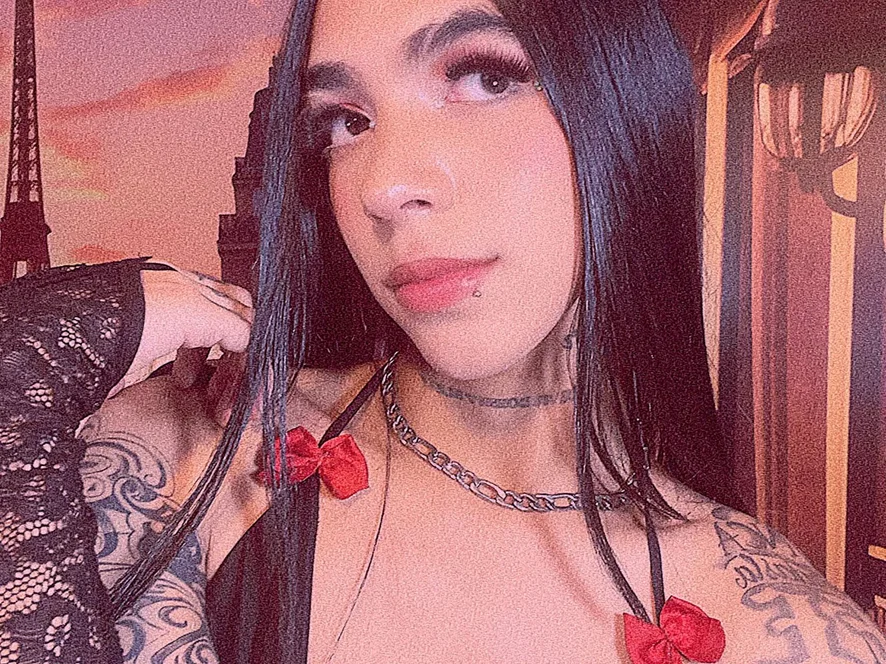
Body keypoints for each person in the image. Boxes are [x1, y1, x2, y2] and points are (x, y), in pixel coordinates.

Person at [2, 0, 885, 662]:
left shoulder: (792, 634)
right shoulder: (183, 458)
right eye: (345, 122)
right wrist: (32, 352)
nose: (385, 184)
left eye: (485, 76)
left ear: (626, 98)